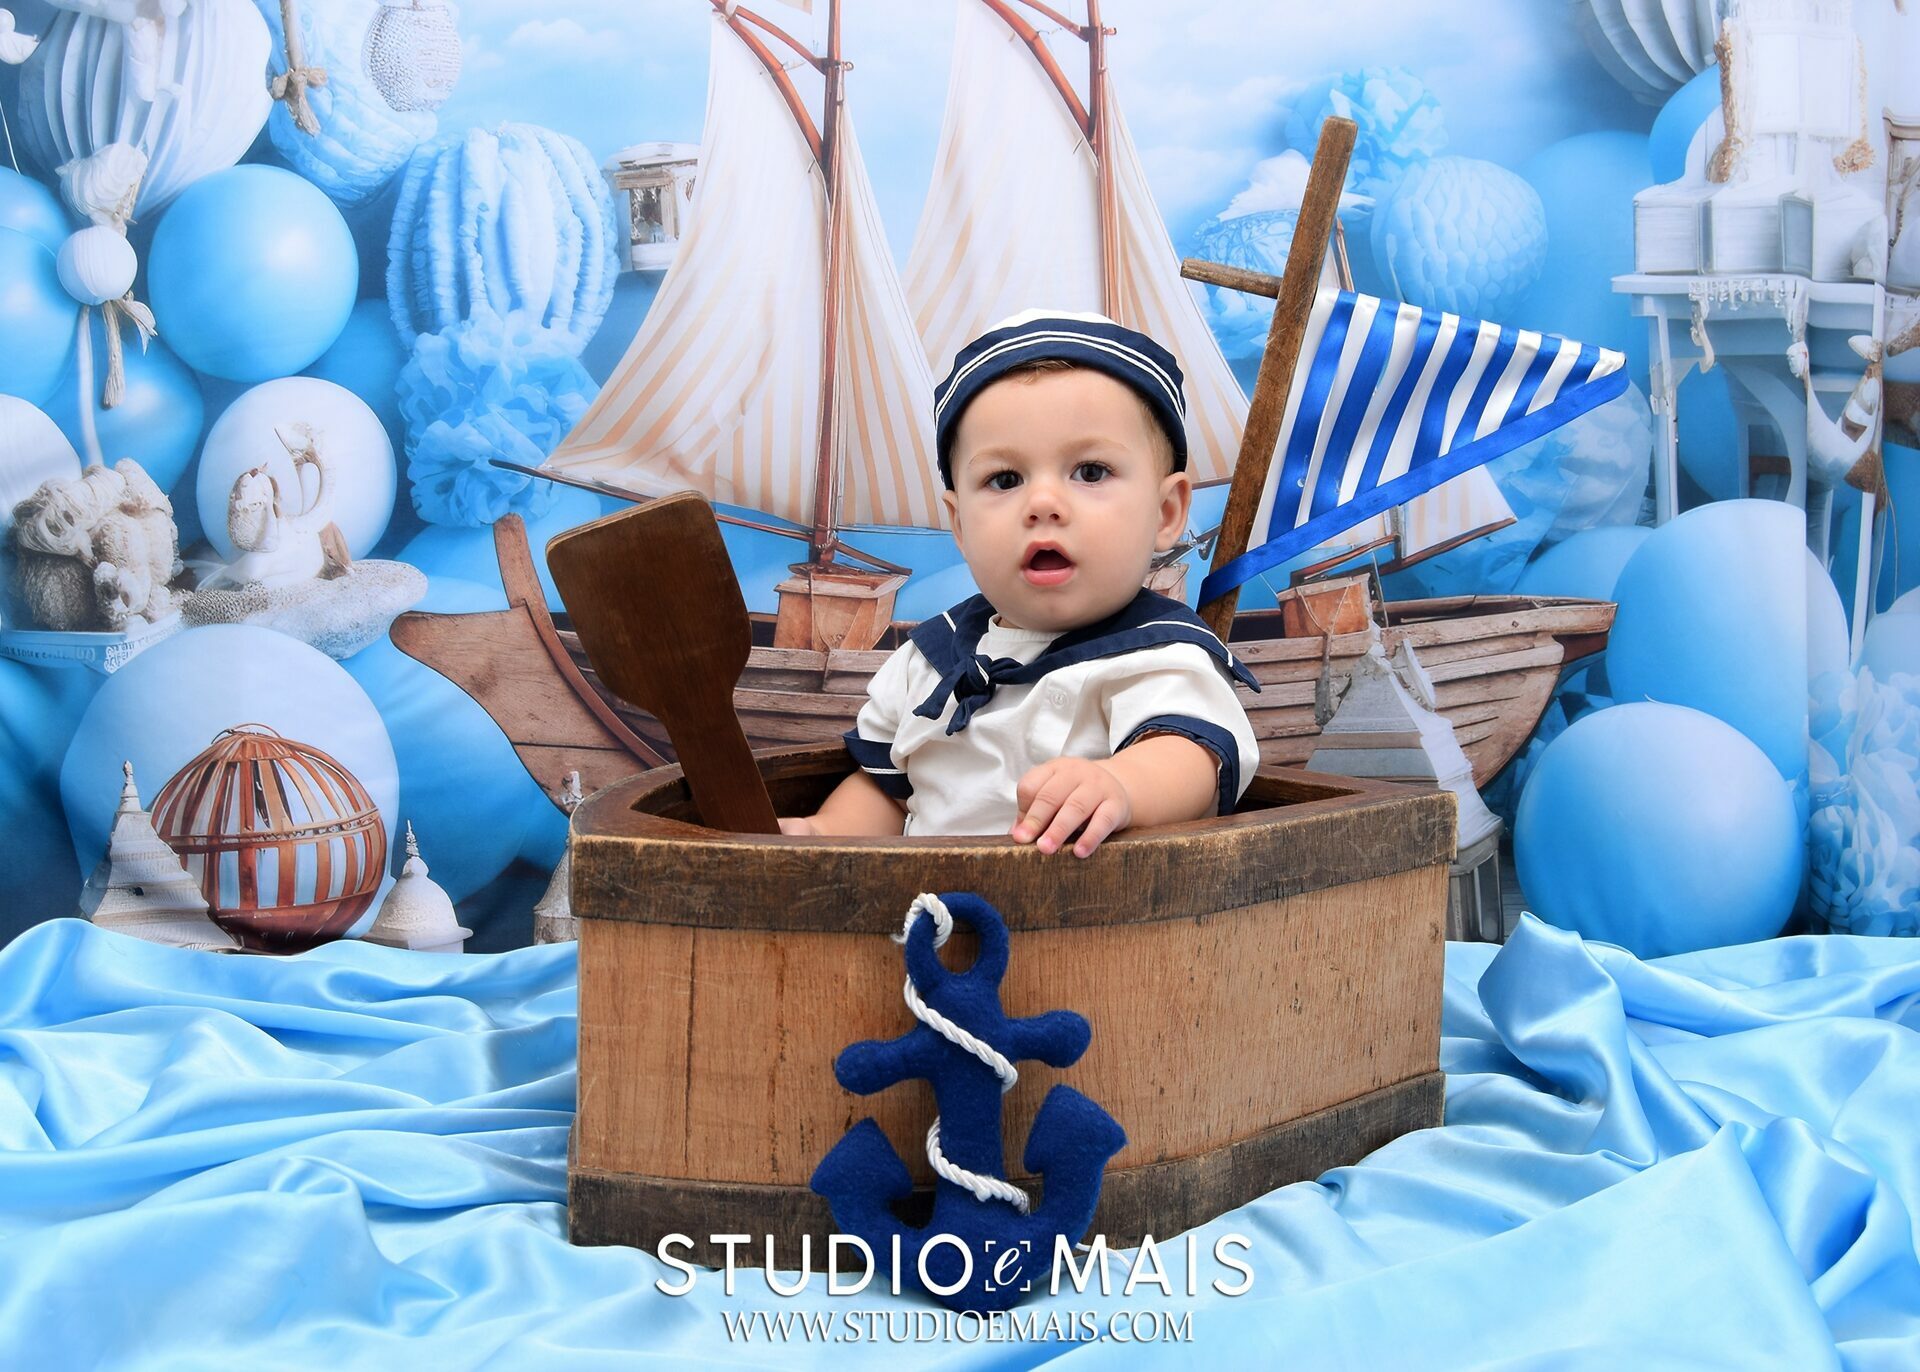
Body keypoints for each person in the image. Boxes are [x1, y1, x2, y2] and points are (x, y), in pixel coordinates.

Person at [779, 310, 1260, 857]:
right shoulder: (928, 661)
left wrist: (1123, 784)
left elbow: (1190, 757)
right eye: (1004, 479)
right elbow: (888, 790)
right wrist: (825, 831)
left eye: (1090, 472)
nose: (1043, 504)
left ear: (1166, 512)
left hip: (1086, 906)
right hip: (929, 904)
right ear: (961, 526)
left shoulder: (1162, 656)